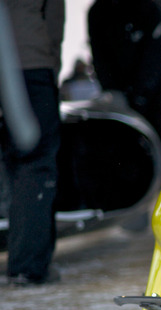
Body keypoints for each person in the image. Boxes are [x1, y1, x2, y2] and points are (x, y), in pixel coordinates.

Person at [1, 0, 65, 286]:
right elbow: (53, 18)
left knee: (15, 164)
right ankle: (27, 265)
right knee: (35, 163)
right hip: (28, 61)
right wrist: (52, 63)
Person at [88, 0, 161, 178]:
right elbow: (100, 59)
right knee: (125, 161)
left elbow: (154, 58)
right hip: (121, 98)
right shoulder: (98, 12)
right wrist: (115, 92)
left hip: (154, 97)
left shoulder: (148, 8)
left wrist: (139, 94)